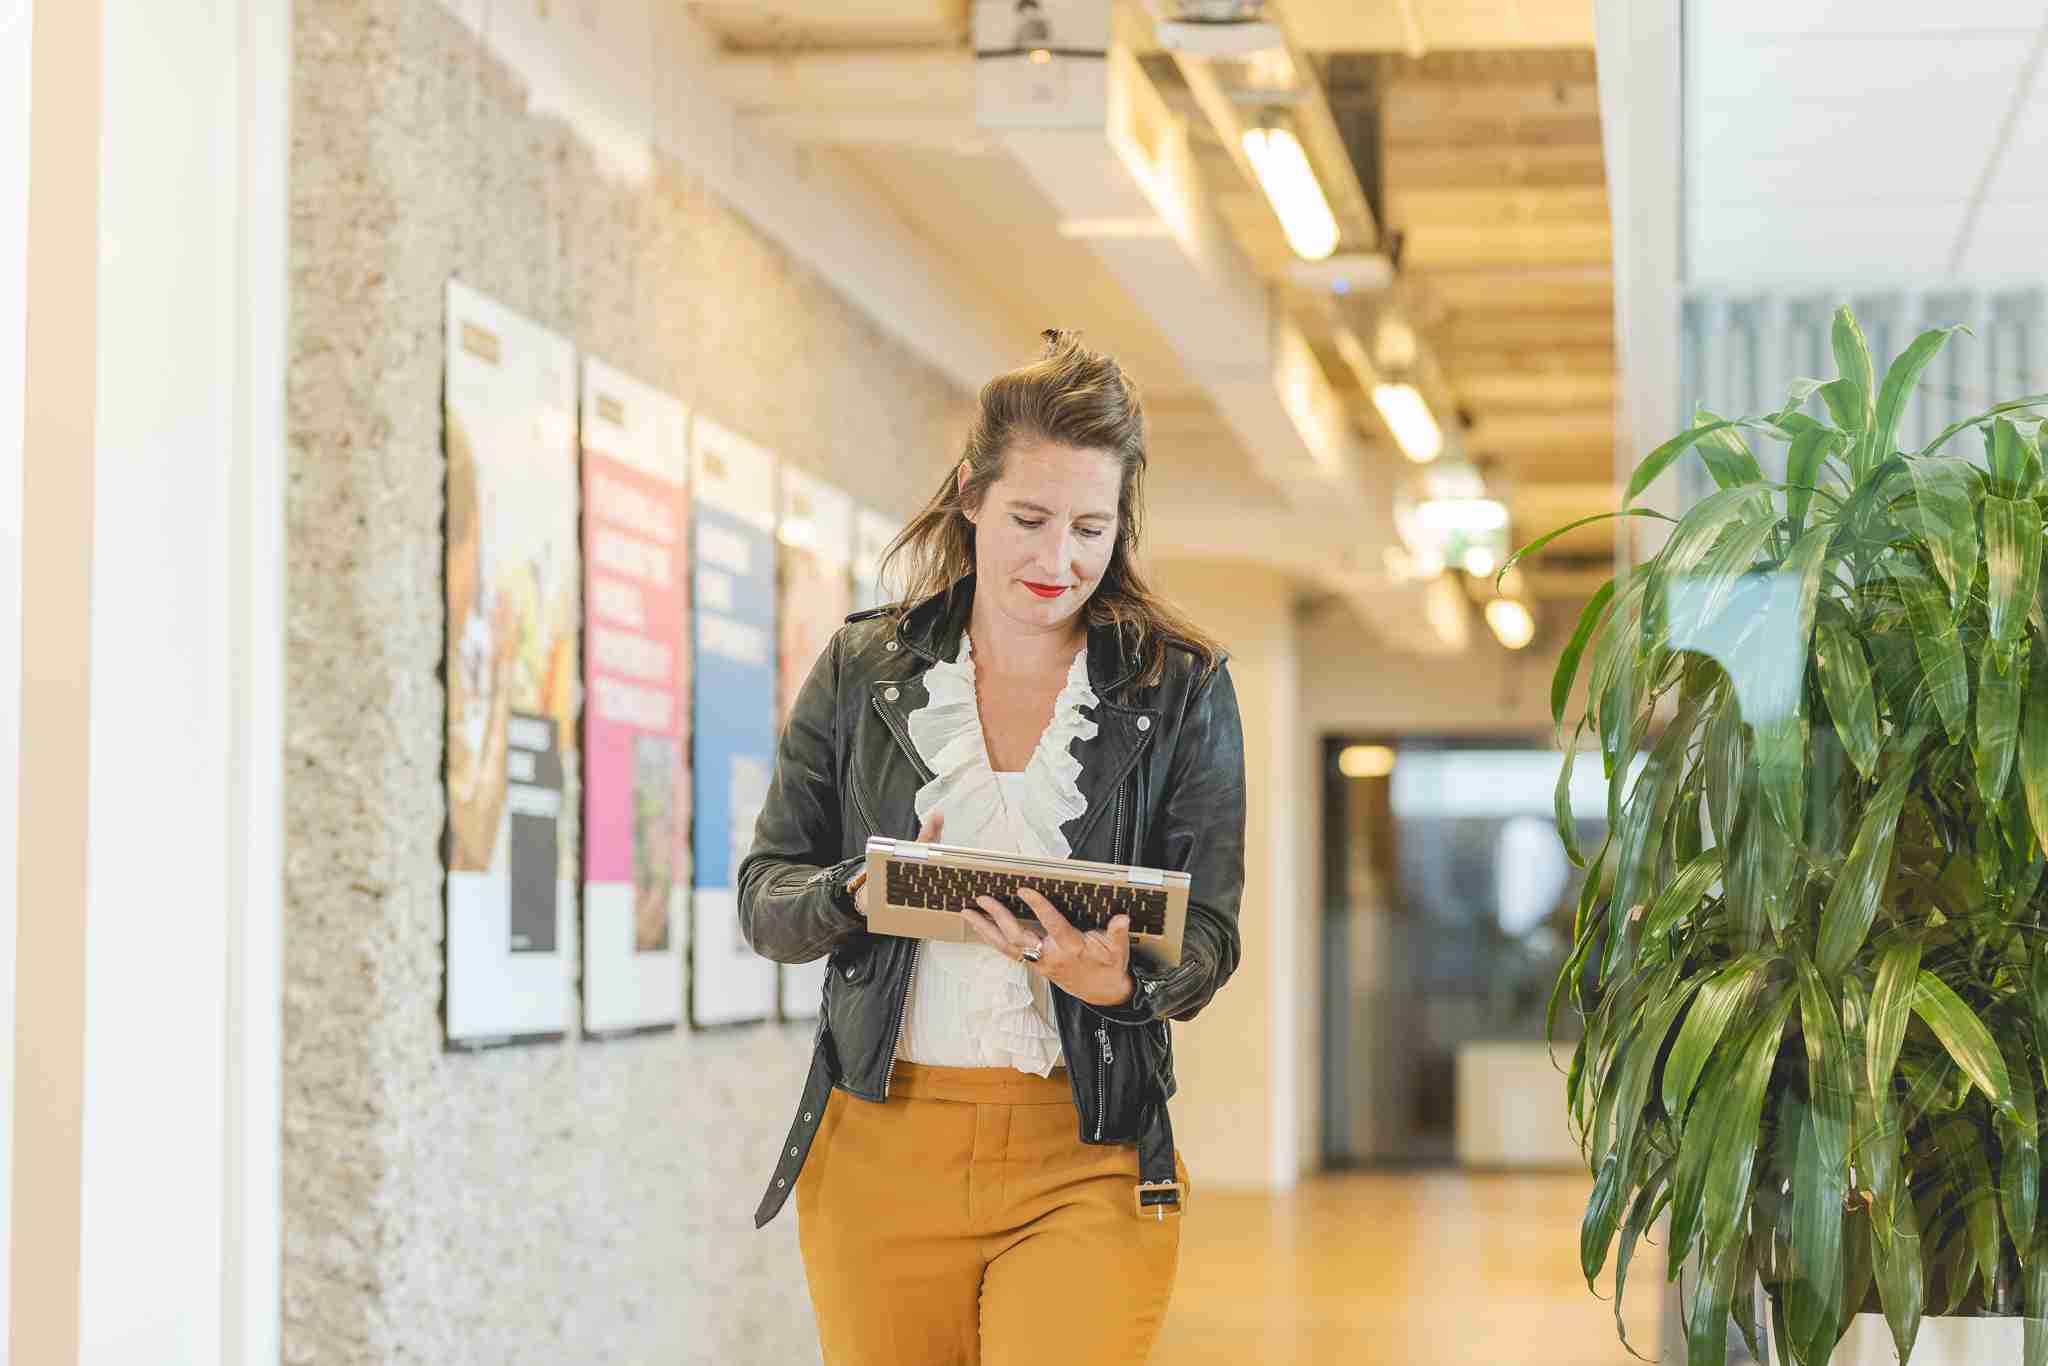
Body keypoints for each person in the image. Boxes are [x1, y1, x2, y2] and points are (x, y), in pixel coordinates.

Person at [736, 330, 1248, 1365]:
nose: (1057, 559)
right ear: (969, 494)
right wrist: (859, 889)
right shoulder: (861, 668)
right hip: (879, 1146)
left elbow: (1210, 935)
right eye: (1027, 518)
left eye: (1089, 528)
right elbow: (765, 897)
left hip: (1087, 1147)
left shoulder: (1180, 687)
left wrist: (1120, 986)